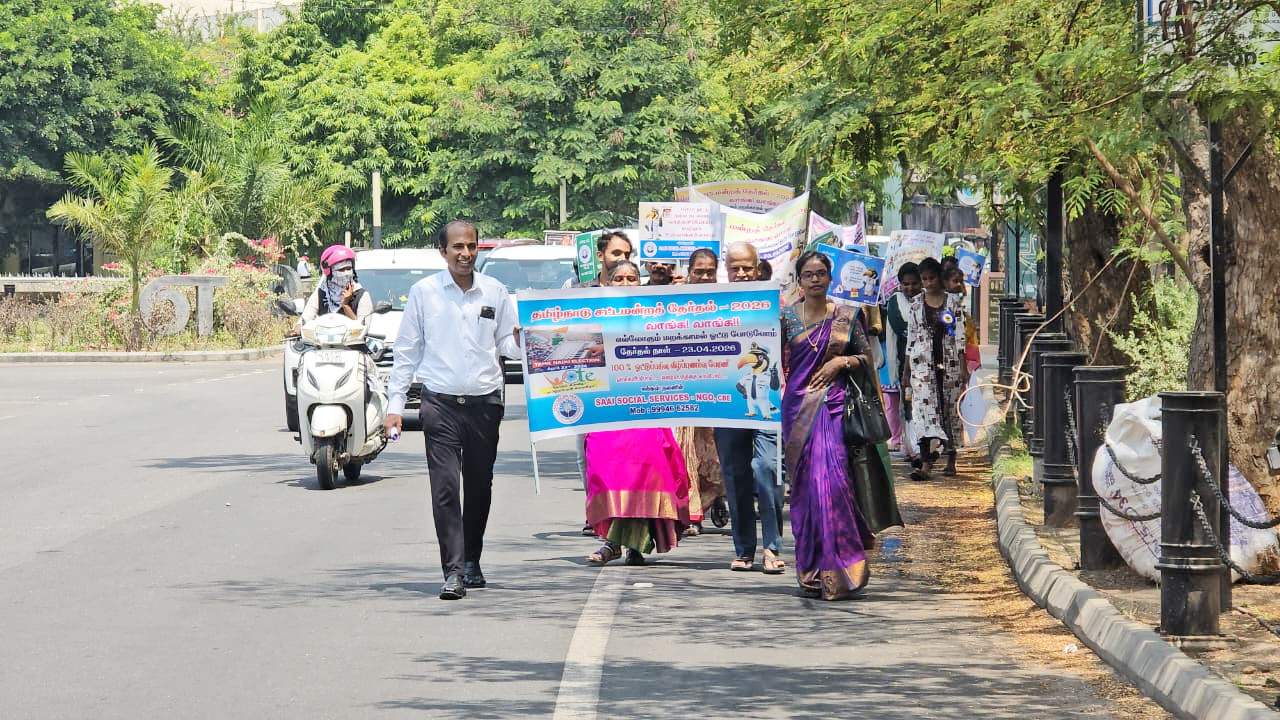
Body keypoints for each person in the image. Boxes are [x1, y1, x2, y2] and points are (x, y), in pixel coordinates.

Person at [384, 220, 523, 600]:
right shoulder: (424, 293)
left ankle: (472, 559)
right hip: (440, 405)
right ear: (442, 251)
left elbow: (508, 346)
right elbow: (407, 352)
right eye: (458, 247)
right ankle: (454, 571)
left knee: (479, 487)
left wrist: (523, 340)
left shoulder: (495, 291)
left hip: (484, 404)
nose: (465, 254)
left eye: (471, 246)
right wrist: (395, 406)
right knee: (445, 488)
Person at [781, 250, 887, 599]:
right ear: (799, 280)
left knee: (834, 484)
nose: (814, 279)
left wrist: (840, 362)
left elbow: (866, 357)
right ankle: (811, 570)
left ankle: (842, 570)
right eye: (808, 274)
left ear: (830, 278)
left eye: (820, 273)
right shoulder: (785, 318)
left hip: (834, 407)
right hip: (797, 410)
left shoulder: (846, 316)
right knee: (806, 491)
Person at [584, 260, 697, 565]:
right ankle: (615, 541)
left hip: (646, 406)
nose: (625, 283)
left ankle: (628, 543)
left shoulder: (656, 316)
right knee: (606, 467)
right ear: (607, 283)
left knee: (645, 468)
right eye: (619, 278)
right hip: (607, 407)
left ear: (640, 281)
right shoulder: (592, 316)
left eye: (631, 278)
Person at [714, 241, 786, 573]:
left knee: (767, 468)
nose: (741, 273)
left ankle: (772, 546)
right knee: (735, 474)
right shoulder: (712, 305)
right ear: (726, 270)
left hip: (769, 403)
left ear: (757, 269)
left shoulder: (777, 303)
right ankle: (744, 549)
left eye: (747, 267)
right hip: (725, 403)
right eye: (735, 268)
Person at [675, 247, 727, 536]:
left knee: (715, 452)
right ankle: (692, 513)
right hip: (684, 389)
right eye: (699, 272)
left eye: (710, 272)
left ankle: (716, 498)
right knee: (688, 452)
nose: (705, 277)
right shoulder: (674, 303)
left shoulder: (729, 302)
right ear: (689, 273)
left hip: (718, 388)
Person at [906, 257, 968, 481]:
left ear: (940, 278)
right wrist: (906, 372)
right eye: (924, 279)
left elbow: (959, 335)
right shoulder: (916, 304)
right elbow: (911, 337)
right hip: (922, 366)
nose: (928, 283)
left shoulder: (952, 302)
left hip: (949, 363)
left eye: (932, 278)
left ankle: (951, 457)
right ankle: (926, 462)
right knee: (923, 412)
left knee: (950, 410)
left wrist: (963, 367)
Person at [883, 263, 921, 456]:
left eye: (914, 283)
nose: (910, 288)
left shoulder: (927, 300)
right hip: (904, 363)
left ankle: (925, 446)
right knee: (907, 403)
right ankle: (911, 446)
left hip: (927, 363)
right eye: (906, 284)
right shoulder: (894, 302)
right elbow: (900, 327)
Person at [292, 245, 372, 334]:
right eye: (341, 270)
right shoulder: (322, 293)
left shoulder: (362, 296)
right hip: (323, 342)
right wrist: (296, 330)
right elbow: (306, 318)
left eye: (349, 269)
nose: (346, 273)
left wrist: (345, 305)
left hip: (353, 342)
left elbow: (362, 329)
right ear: (330, 273)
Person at [943, 267, 982, 375]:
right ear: (945, 282)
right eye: (955, 281)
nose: (959, 284)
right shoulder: (944, 302)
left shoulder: (957, 301)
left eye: (961, 281)